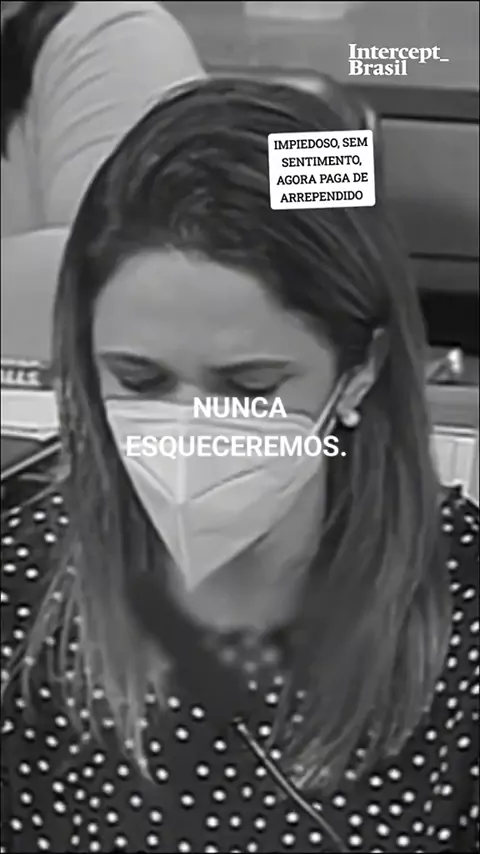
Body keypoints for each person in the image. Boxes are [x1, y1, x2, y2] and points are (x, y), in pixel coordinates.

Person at [1, 77, 478, 854]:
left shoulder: (463, 623)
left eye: (250, 387)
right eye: (140, 380)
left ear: (361, 370)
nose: (192, 431)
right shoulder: (22, 594)